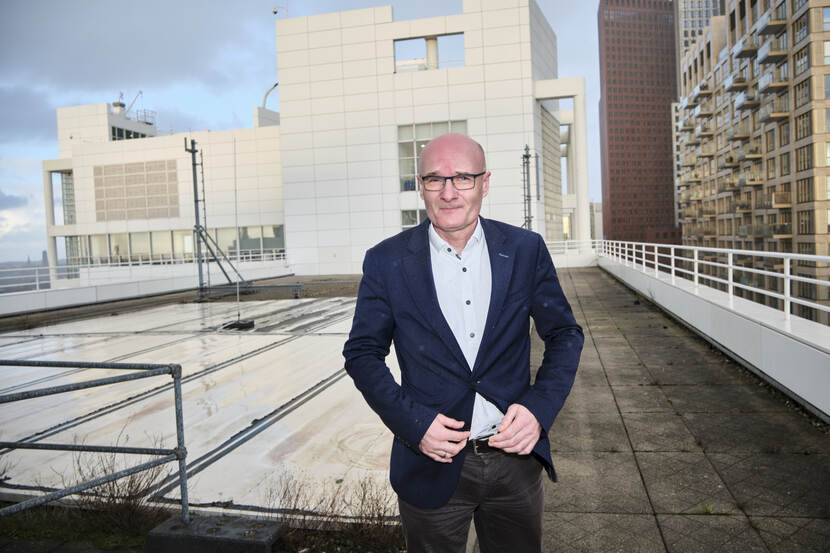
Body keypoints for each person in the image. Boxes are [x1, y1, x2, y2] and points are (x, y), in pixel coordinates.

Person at [342, 133, 583, 553]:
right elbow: (362, 354)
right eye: (435, 179)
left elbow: (564, 335)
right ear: (420, 186)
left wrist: (539, 409)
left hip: (514, 462)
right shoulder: (386, 260)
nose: (449, 192)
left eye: (463, 178)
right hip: (430, 463)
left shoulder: (525, 250)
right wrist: (414, 425)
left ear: (485, 183)